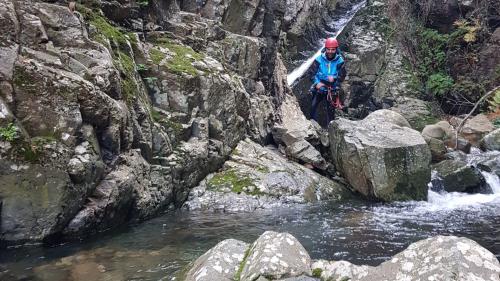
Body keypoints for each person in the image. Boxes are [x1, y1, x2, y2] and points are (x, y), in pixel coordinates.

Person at [308, 37, 346, 124]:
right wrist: (316, 83)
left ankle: (330, 129)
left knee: (330, 112)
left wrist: (335, 78)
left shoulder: (340, 61)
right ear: (325, 49)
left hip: (332, 90)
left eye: (332, 49)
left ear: (336, 49)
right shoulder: (318, 59)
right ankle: (313, 127)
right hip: (319, 89)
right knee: (313, 107)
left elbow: (342, 76)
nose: (330, 51)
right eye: (328, 49)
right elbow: (311, 73)